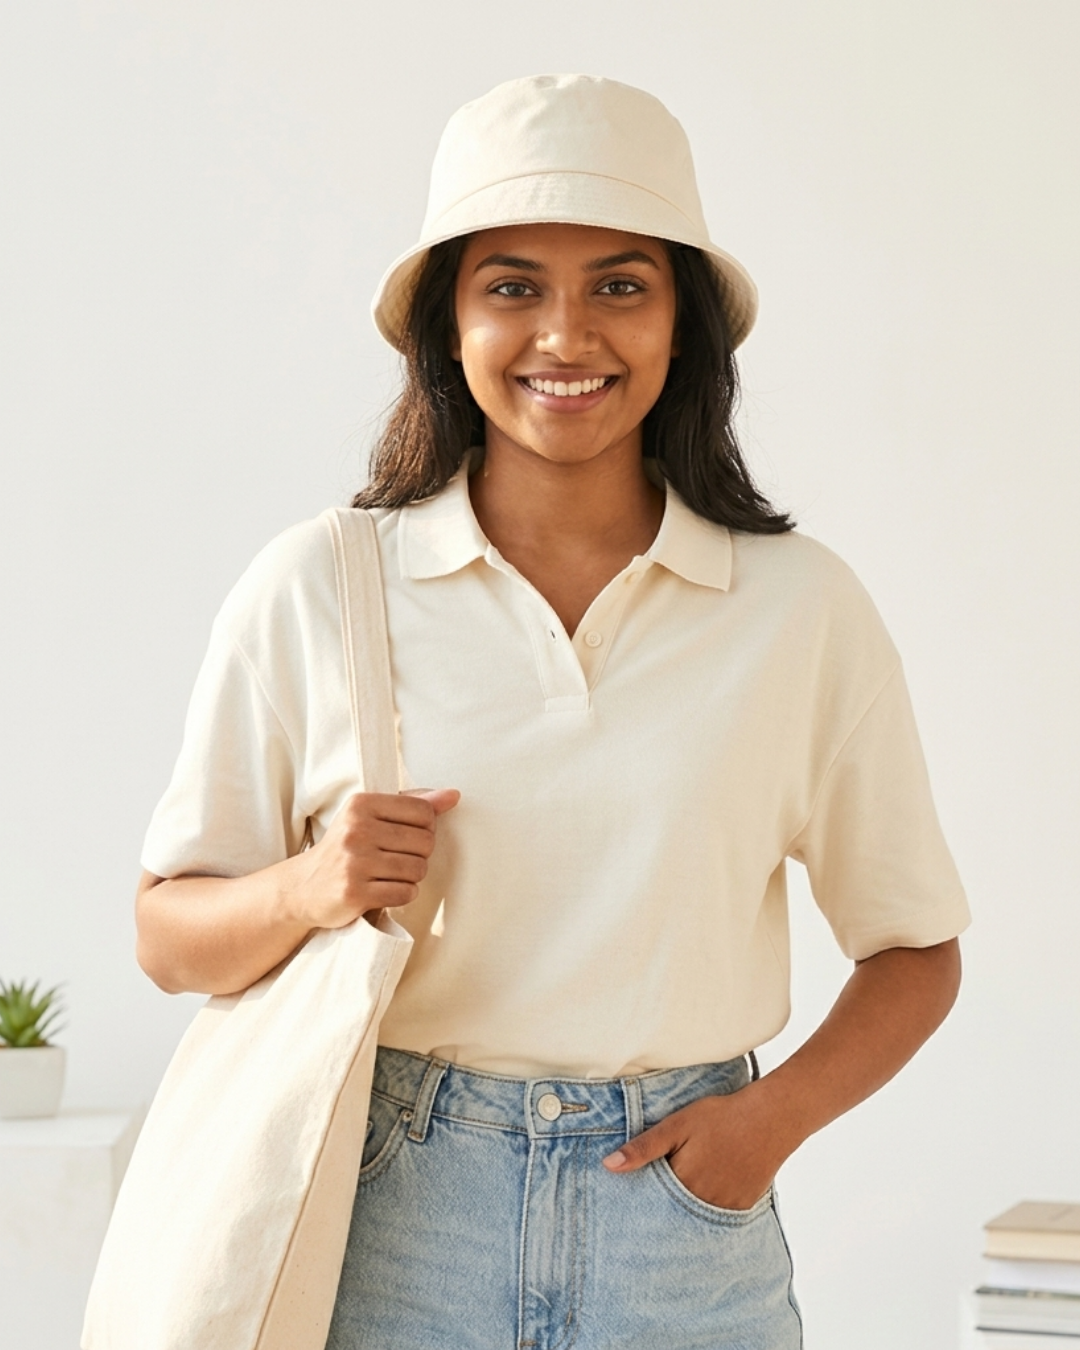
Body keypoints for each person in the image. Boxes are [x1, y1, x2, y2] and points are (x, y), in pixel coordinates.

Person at [134, 74, 971, 1349]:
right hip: (394, 1204)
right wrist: (312, 886)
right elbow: (166, 936)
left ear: (682, 323)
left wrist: (766, 1125)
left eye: (620, 286)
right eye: (513, 285)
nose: (566, 336)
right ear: (448, 328)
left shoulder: (798, 606)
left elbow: (914, 948)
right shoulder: (320, 584)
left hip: (684, 1217)